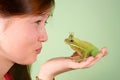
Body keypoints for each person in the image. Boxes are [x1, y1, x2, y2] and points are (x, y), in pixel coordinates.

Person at [0, 0, 107, 80]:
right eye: (37, 21)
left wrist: (47, 72)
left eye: (44, 23)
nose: (45, 38)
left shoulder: (10, 76)